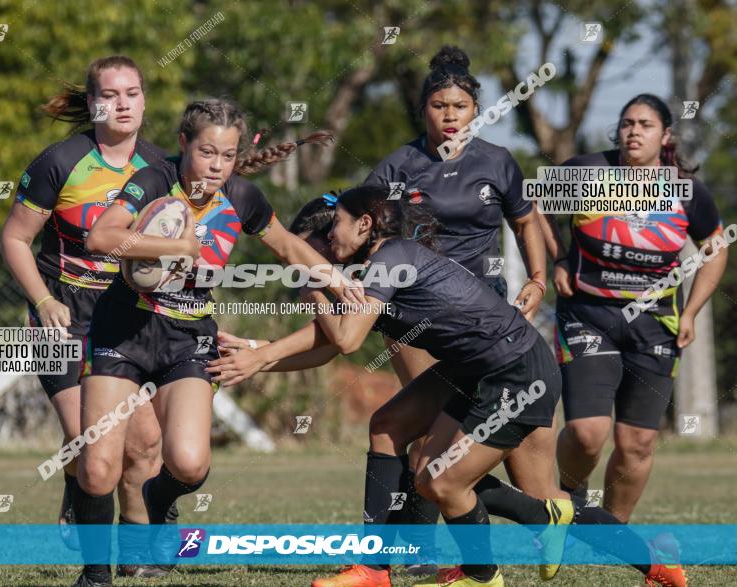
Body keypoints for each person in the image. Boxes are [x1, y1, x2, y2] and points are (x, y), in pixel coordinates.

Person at [209, 186, 688, 587]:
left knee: (440, 480)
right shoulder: (369, 269)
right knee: (390, 428)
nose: (327, 241)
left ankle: (489, 574)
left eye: (331, 229)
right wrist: (258, 356)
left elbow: (346, 338)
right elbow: (329, 342)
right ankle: (374, 569)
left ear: (364, 225)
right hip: (474, 367)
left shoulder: (390, 259)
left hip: (516, 371)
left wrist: (307, 284)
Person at [69, 97, 345, 587]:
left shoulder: (243, 197)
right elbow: (100, 238)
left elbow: (288, 247)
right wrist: (179, 245)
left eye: (228, 155)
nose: (217, 166)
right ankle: (95, 575)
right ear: (183, 145)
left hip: (187, 338)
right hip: (122, 331)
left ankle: (157, 499)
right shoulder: (153, 180)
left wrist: (338, 281)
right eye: (206, 153)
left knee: (190, 464)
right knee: (97, 468)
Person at [365, 43, 555, 578]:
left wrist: (538, 277)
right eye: (438, 106)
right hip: (417, 316)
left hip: (487, 315)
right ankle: (417, 551)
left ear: (476, 109)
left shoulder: (497, 161)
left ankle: (538, 520)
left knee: (473, 440)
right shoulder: (399, 165)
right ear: (423, 109)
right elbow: (362, 222)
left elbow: (525, 221)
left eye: (460, 107)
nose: (449, 116)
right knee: (419, 430)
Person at [0, 55, 174, 576]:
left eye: (133, 93)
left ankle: (139, 556)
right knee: (91, 450)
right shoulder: (59, 162)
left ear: (145, 99)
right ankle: (80, 492)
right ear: (93, 102)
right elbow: (14, 238)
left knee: (144, 443)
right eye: (111, 94)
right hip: (63, 317)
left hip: (126, 318)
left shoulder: (161, 166)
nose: (123, 104)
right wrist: (43, 300)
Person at [538, 94, 727, 523]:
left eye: (645, 124)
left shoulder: (687, 191)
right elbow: (535, 211)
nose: (634, 131)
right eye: (627, 123)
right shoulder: (586, 172)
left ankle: (611, 535)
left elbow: (715, 248)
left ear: (665, 135)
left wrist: (693, 311)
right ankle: (570, 497)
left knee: (637, 441)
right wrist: (560, 259)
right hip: (588, 315)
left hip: (656, 325)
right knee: (588, 434)